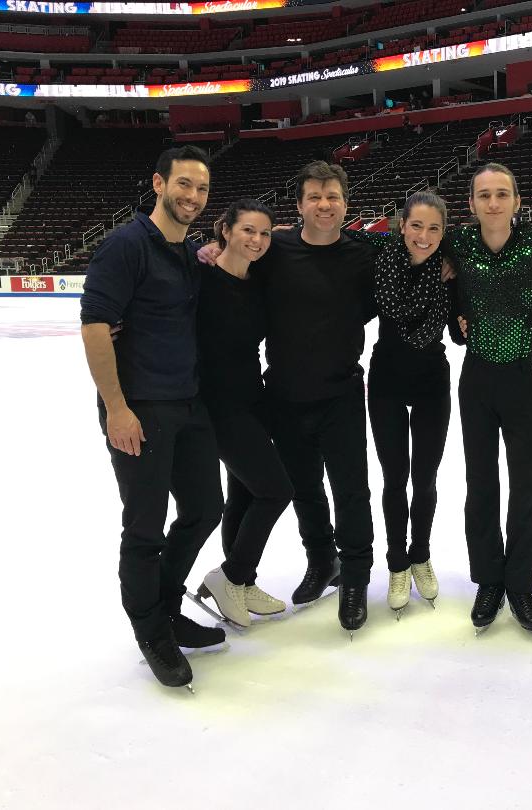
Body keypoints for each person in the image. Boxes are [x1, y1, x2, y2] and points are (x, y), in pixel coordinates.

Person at [80, 145, 223, 690]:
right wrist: (117, 408)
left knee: (206, 506)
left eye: (202, 189)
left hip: (188, 404)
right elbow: (96, 327)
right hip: (139, 408)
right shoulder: (125, 246)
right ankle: (151, 631)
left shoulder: (187, 253)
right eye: (183, 184)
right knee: (144, 526)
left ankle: (164, 604)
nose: (192, 196)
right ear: (159, 184)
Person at [235, 161, 378, 637]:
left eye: (332, 196)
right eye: (314, 196)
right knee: (304, 490)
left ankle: (355, 576)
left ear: (345, 204)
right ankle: (322, 560)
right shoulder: (274, 251)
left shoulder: (363, 255)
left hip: (340, 394)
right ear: (298, 206)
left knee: (351, 490)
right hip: (284, 394)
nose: (324, 204)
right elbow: (231, 262)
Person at [447, 162, 532, 637]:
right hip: (477, 379)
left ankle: (520, 583)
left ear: (518, 201)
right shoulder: (456, 243)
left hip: (523, 378)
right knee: (481, 484)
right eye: (484, 195)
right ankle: (489, 580)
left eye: (503, 194)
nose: (494, 203)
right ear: (472, 203)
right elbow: (401, 244)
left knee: (524, 486)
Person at [193, 199, 293, 628]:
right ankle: (229, 577)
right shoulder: (199, 278)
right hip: (217, 407)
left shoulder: (258, 281)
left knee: (246, 492)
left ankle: (242, 579)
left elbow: (299, 235)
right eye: (247, 230)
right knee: (275, 490)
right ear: (225, 230)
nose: (256, 240)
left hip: (254, 399)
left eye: (264, 233)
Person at [368, 191, 453, 617]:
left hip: (431, 381)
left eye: (434, 228)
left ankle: (420, 554)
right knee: (394, 477)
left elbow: (453, 333)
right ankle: (397, 562)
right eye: (416, 225)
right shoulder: (384, 259)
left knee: (426, 477)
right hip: (386, 379)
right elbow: (394, 309)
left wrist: (464, 319)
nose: (424, 235)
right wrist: (435, 281)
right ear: (402, 226)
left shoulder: (450, 265)